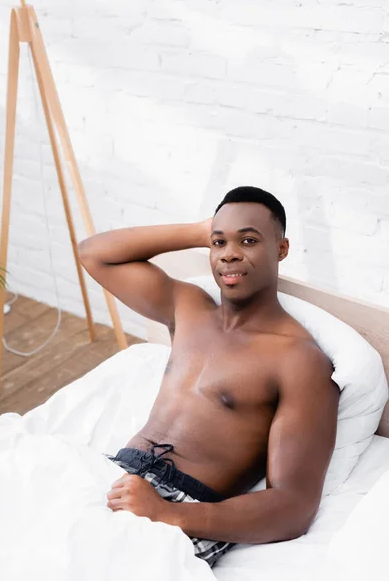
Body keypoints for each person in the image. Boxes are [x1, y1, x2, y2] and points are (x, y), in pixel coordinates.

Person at [78, 186, 339, 567]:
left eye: (248, 240)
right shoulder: (189, 308)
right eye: (220, 243)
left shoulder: (298, 360)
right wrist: (203, 231)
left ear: (281, 249)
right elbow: (94, 253)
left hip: (181, 511)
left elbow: (294, 506)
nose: (230, 253)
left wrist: (165, 514)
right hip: (116, 476)